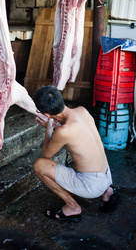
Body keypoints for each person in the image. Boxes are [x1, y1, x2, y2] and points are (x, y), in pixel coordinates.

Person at [32, 85, 120, 221]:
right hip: (106, 176)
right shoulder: (82, 111)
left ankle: (72, 206)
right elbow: (74, 136)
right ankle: (107, 192)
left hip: (92, 185)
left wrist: (49, 128)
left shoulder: (64, 131)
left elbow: (47, 153)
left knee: (39, 165)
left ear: (47, 114)